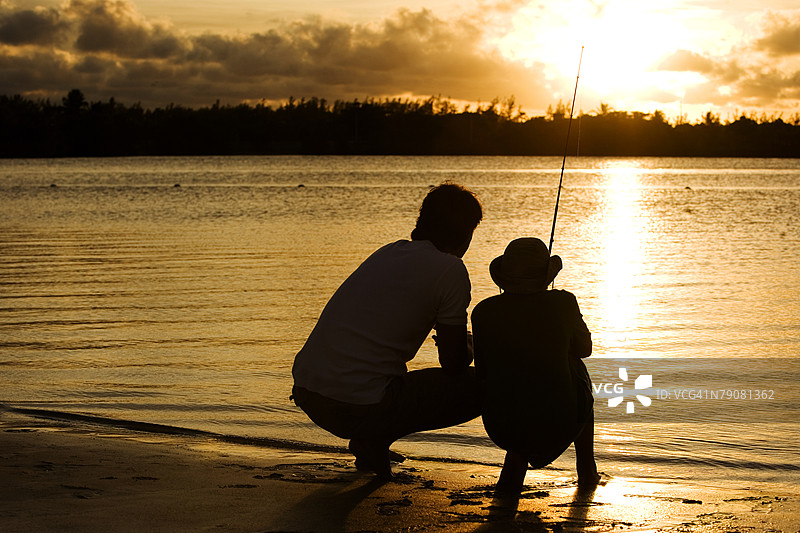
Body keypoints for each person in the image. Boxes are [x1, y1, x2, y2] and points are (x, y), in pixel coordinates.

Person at [291, 182, 483, 479]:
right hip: (354, 407)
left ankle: (373, 440)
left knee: (388, 377)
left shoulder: (388, 252)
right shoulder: (451, 270)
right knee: (488, 385)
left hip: (309, 395)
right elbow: (454, 364)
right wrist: (473, 345)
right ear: (466, 233)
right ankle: (373, 437)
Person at [471, 237, 600, 496]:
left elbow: (483, 371)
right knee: (577, 371)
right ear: (546, 275)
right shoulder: (563, 303)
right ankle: (587, 469)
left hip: (500, 423)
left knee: (518, 380)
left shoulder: (483, 311)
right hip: (556, 418)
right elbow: (585, 349)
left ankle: (516, 460)